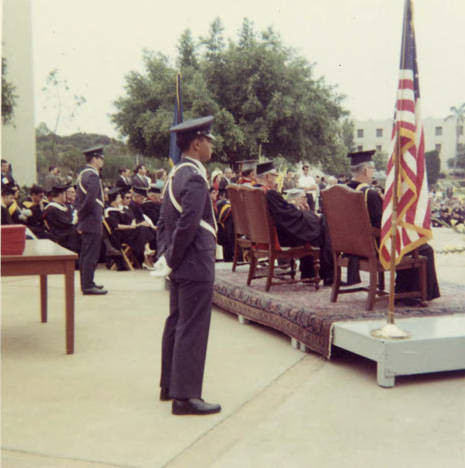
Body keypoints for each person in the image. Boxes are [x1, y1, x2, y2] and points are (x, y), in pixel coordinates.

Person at [157, 115, 221, 416]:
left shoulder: (175, 174)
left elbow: (162, 224)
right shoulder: (195, 177)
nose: (211, 146)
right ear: (197, 143)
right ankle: (186, 397)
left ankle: (170, 385)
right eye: (208, 140)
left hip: (181, 262)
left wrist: (166, 255)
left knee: (177, 321)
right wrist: (173, 256)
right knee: (193, 327)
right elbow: (188, 224)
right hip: (194, 262)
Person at [345, 150, 440, 305]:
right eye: (372, 169)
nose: (373, 173)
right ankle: (407, 293)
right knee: (422, 247)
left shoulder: (343, 191)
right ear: (365, 170)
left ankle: (406, 289)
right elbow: (383, 226)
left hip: (353, 249)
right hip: (373, 248)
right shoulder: (369, 194)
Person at [254, 161, 333, 284]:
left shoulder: (255, 192)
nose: (277, 178)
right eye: (275, 175)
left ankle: (310, 273)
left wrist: (294, 205)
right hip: (279, 238)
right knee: (322, 223)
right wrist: (309, 214)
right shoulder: (269, 193)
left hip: (265, 236)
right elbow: (289, 215)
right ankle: (328, 275)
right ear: (268, 176)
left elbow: (283, 211)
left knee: (313, 225)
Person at [75, 145, 107, 295]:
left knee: (87, 253)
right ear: (94, 159)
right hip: (91, 219)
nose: (102, 161)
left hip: (87, 219)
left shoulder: (83, 174)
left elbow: (80, 199)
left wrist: (80, 216)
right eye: (100, 158)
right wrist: (81, 216)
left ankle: (88, 281)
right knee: (90, 254)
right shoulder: (92, 175)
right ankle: (87, 285)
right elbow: (90, 200)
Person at [42, 184, 80, 252]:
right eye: (66, 193)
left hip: (69, 236)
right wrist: (76, 218)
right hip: (61, 238)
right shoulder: (51, 209)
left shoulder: (67, 206)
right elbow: (65, 224)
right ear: (61, 194)